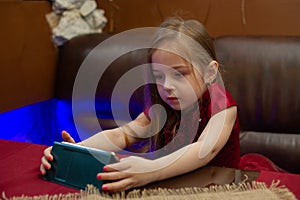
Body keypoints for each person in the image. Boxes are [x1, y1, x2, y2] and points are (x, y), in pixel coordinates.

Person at [40, 17, 240, 192]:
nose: (166, 86)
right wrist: (72, 151)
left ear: (210, 73)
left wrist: (152, 170)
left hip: (218, 187)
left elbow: (205, 150)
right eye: (158, 75)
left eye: (179, 74)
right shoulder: (162, 105)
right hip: (172, 185)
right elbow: (121, 135)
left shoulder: (221, 102)